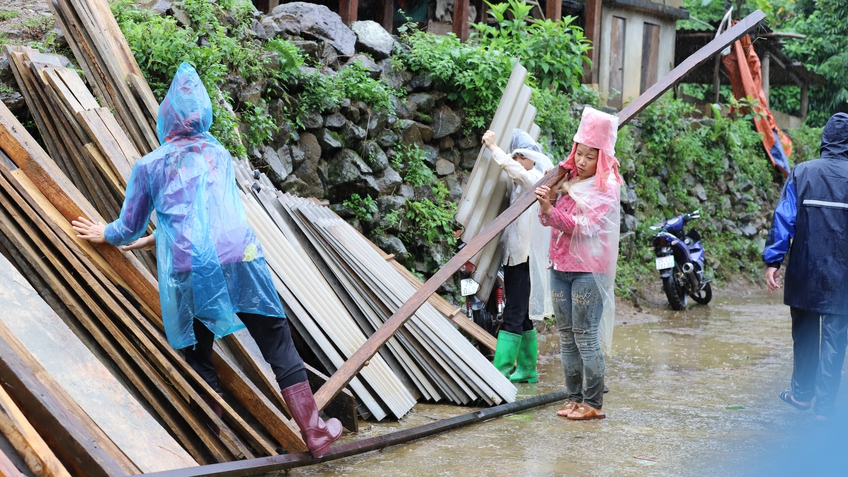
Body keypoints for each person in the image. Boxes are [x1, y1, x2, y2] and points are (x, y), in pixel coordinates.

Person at [71, 62, 341, 458]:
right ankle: (314, 432)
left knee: (198, 352)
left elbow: (128, 227)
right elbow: (210, 215)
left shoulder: (150, 165)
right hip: (242, 257)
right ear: (206, 113)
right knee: (277, 344)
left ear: (165, 117)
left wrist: (105, 233)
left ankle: (214, 443)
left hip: (190, 266)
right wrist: (156, 239)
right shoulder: (220, 155)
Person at [534, 107, 621, 420]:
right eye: (579, 154)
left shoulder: (606, 187)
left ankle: (593, 405)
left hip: (588, 271)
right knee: (567, 336)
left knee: (585, 335)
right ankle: (573, 399)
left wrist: (551, 209)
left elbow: (585, 225)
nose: (582, 162)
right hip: (560, 268)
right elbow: (551, 222)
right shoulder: (569, 182)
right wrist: (548, 205)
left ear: (602, 158)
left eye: (589, 156)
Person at [763, 112, 848, 421]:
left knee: (806, 334)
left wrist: (773, 261)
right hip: (843, 276)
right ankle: (824, 409)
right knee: (836, 340)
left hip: (805, 271)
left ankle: (801, 395)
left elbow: (784, 219)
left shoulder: (802, 172)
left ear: (824, 141)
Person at [481, 129, 553, 383]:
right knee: (521, 315)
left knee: (513, 313)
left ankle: (500, 372)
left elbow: (517, 171)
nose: (518, 162)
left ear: (526, 157)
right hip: (515, 258)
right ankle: (527, 369)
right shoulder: (522, 183)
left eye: (519, 157)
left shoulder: (532, 177)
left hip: (525, 260)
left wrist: (493, 147)